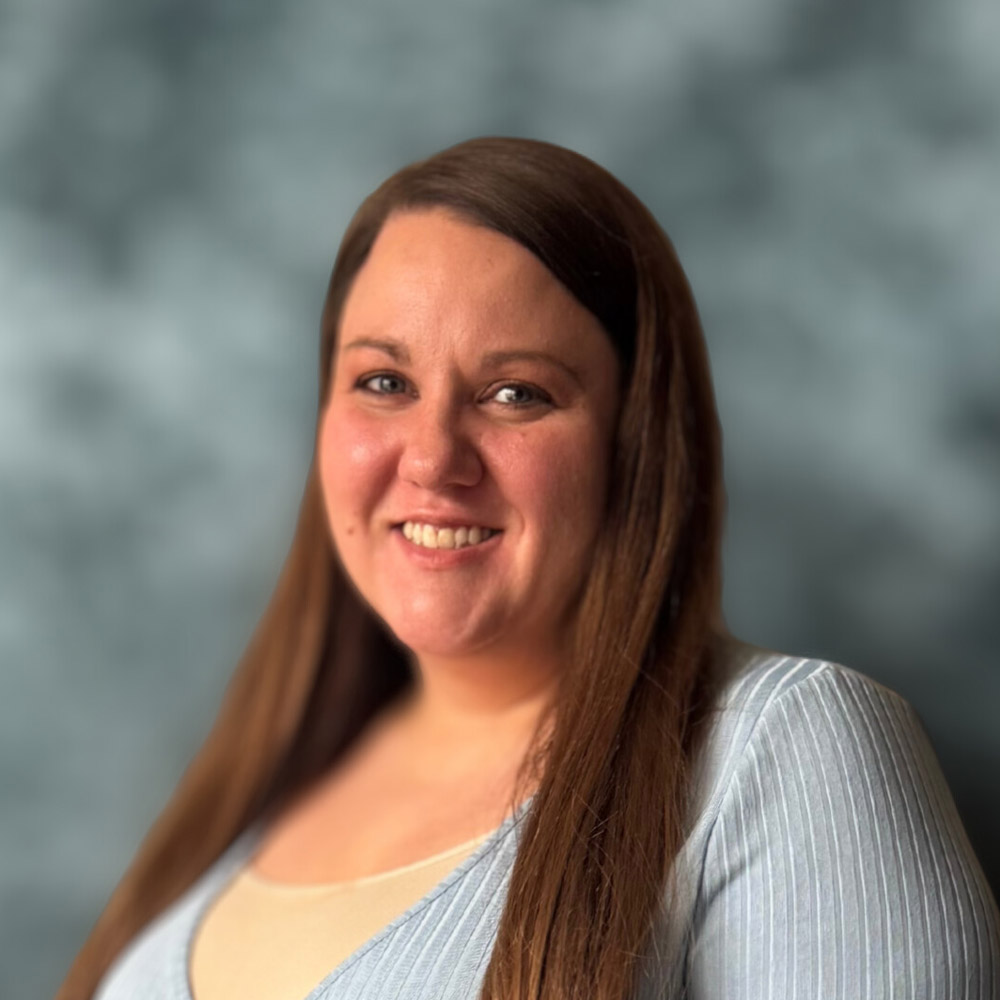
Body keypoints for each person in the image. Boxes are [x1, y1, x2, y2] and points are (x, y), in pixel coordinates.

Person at [60, 137, 999, 1000]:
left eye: (517, 394)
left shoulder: (784, 749)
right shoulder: (266, 777)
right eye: (383, 382)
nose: (431, 459)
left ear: (633, 443)